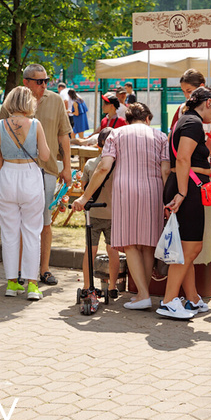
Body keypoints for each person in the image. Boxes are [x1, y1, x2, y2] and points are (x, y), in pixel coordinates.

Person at [73, 103, 168, 308]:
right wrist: (168, 199)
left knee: (130, 244)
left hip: (125, 191)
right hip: (154, 190)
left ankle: (143, 295)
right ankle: (143, 293)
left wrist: (85, 197)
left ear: (127, 120)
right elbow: (166, 171)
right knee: (148, 244)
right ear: (148, 119)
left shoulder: (116, 134)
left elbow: (103, 167)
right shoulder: (161, 136)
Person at [7, 63, 73, 286]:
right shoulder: (12, 102)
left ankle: (44, 269)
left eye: (46, 80)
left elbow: (64, 135)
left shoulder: (55, 100)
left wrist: (67, 167)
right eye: (39, 81)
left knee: (44, 221)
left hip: (47, 169)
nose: (44, 85)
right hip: (17, 170)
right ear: (26, 82)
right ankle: (18, 270)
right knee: (19, 222)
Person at [159, 87, 211, 319]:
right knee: (191, 248)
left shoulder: (186, 121)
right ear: (208, 102)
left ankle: (192, 298)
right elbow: (183, 158)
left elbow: (191, 157)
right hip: (188, 189)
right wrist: (183, 193)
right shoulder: (193, 123)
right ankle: (169, 300)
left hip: (186, 187)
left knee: (186, 247)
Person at [0, 86, 49, 300]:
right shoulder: (35, 124)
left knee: (9, 232)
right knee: (32, 231)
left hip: (7, 175)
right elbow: (45, 155)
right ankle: (32, 284)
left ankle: (11, 282)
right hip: (29, 175)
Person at [73, 128, 120, 299]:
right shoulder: (120, 166)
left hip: (92, 214)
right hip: (113, 214)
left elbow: (84, 189)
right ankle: (113, 286)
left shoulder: (90, 164)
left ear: (99, 144)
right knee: (112, 250)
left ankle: (87, 285)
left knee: (90, 250)